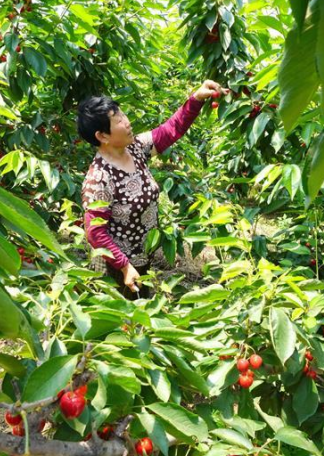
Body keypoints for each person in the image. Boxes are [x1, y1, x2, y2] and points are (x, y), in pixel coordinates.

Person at [78, 80, 227, 300]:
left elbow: (171, 130)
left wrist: (196, 99)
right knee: (117, 324)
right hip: (114, 268)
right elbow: (95, 232)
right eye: (118, 120)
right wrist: (124, 266)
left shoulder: (136, 149)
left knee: (141, 322)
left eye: (123, 115)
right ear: (102, 136)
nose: (126, 122)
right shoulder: (100, 177)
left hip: (140, 259)